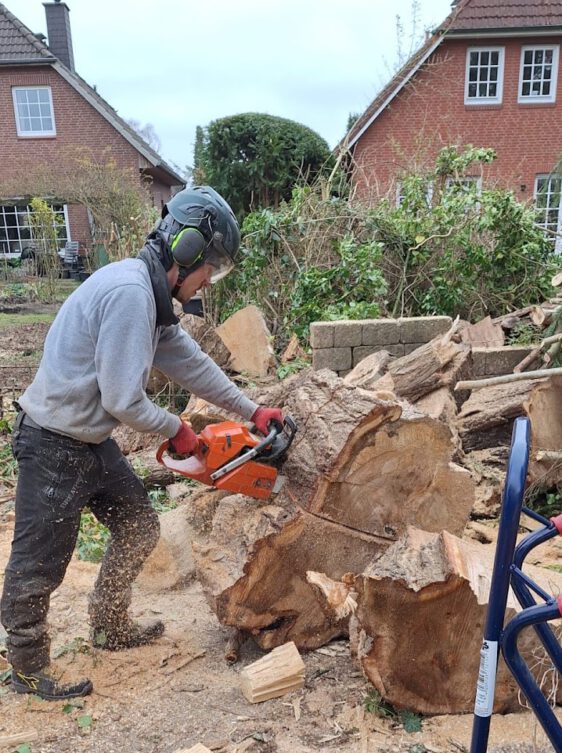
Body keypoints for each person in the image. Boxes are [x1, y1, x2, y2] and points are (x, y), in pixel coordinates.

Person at [0, 186, 283, 701]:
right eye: (209, 269)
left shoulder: (152, 300)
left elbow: (193, 365)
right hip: (52, 441)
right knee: (40, 561)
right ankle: (25, 666)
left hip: (87, 441)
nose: (207, 281)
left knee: (137, 523)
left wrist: (251, 411)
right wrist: (177, 428)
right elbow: (124, 400)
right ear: (188, 250)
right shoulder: (131, 293)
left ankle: (109, 626)